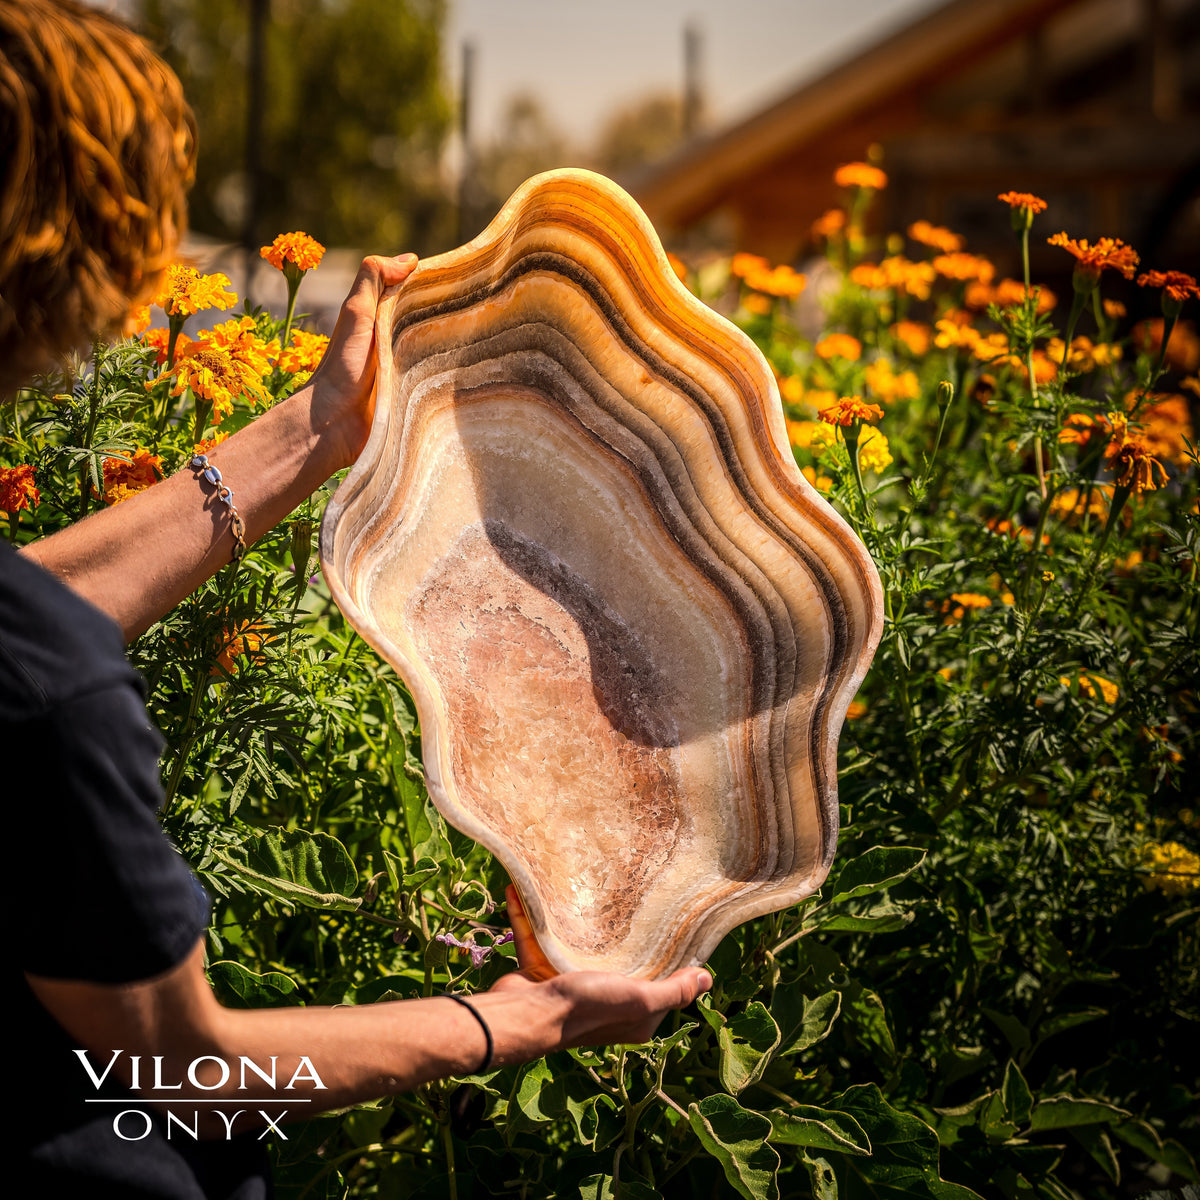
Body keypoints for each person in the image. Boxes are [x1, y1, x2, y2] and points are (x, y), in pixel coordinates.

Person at [1, 2, 711, 1194]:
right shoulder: (51, 699)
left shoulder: (34, 655)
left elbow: (23, 614)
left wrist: (317, 431)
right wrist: (518, 1020)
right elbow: (183, 1075)